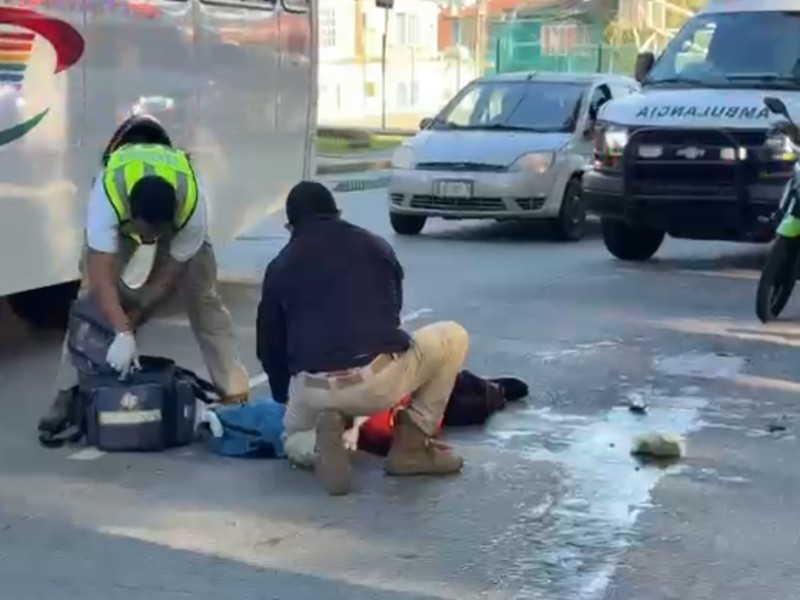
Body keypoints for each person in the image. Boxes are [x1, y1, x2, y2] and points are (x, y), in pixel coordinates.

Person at [256, 180, 469, 496]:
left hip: (314, 388)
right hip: (375, 381)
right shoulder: (374, 245)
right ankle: (411, 446)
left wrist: (282, 396)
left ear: (291, 226)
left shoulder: (280, 266)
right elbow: (391, 314)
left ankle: (317, 446)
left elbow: (269, 346)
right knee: (453, 336)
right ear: (337, 212)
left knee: (291, 436)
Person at [38, 117, 250, 434]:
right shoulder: (108, 198)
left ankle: (235, 395)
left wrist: (135, 317)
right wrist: (121, 330)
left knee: (203, 297)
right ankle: (68, 393)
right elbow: (100, 276)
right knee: (88, 303)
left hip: (177, 228)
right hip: (122, 215)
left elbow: (169, 277)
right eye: (143, 231)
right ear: (130, 214)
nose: (148, 239)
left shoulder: (192, 208)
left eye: (156, 233)